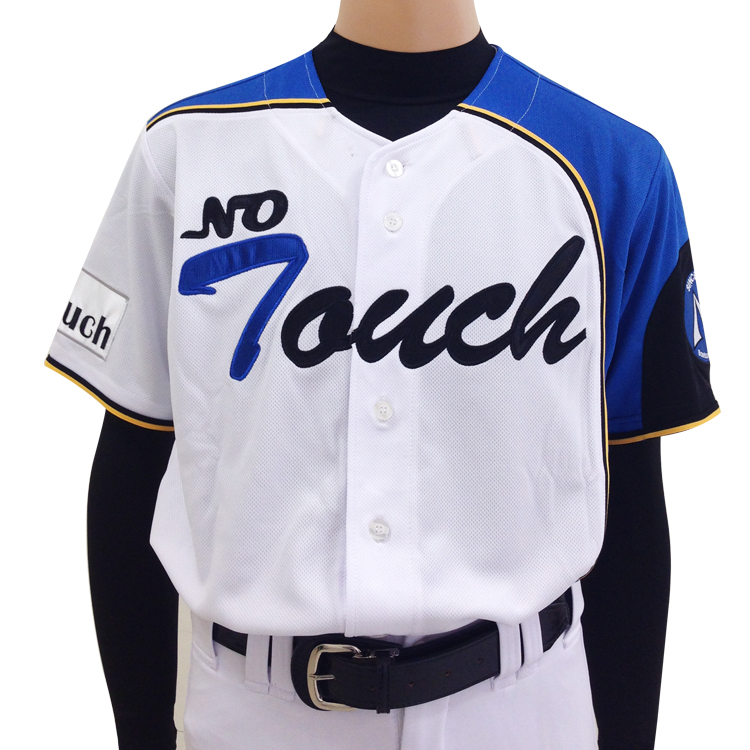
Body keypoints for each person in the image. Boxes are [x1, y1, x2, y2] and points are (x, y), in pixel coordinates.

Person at [46, 1, 719, 748]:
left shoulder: (615, 166)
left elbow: (631, 506)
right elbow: (135, 464)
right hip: (249, 712)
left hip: (521, 711)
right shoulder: (186, 149)